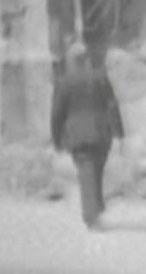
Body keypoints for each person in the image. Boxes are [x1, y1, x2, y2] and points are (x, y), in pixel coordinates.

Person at [49, 40, 124, 230]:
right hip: (101, 133)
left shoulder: (65, 82)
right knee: (96, 170)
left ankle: (91, 214)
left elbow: (57, 112)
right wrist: (119, 131)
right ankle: (96, 207)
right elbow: (112, 104)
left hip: (78, 134)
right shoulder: (100, 77)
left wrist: (57, 137)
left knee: (86, 172)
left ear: (71, 61)